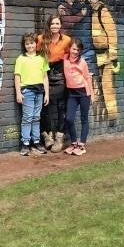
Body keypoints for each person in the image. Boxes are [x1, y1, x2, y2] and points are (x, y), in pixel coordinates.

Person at [38, 14, 72, 152]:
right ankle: (47, 136)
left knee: (60, 107)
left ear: (61, 25)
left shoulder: (67, 40)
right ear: (48, 24)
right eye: (52, 24)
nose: (55, 26)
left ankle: (60, 136)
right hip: (44, 73)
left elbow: (71, 58)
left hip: (60, 74)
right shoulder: (41, 39)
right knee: (44, 107)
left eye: (57, 24)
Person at [88, 0, 119, 122]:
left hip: (106, 56)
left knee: (107, 86)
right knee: (99, 86)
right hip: (98, 55)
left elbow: (112, 34)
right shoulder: (93, 12)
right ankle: (102, 116)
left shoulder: (102, 12)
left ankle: (112, 116)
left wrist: (113, 55)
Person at [14, 33, 49, 156]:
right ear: (24, 45)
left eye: (31, 43)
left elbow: (45, 77)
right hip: (27, 92)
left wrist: (47, 94)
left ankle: (36, 141)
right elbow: (17, 76)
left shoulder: (42, 59)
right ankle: (25, 143)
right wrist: (18, 92)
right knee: (27, 117)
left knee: (36, 117)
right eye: (27, 43)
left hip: (39, 91)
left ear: (36, 44)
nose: (30, 45)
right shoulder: (21, 59)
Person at [63, 39, 95, 156]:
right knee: (69, 118)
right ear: (69, 49)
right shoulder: (65, 58)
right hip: (72, 93)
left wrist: (91, 94)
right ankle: (74, 143)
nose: (75, 51)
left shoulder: (82, 62)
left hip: (83, 92)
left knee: (84, 118)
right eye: (73, 49)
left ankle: (81, 145)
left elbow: (87, 78)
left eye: (78, 49)